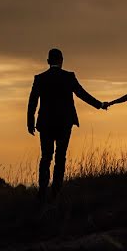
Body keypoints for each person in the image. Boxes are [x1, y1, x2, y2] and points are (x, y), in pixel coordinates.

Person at [27, 48, 106, 203]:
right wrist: (100, 104)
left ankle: (42, 190)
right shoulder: (69, 77)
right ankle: (56, 191)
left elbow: (33, 101)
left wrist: (30, 122)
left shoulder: (40, 78)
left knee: (46, 157)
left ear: (48, 61)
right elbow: (82, 94)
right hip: (64, 123)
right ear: (61, 61)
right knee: (60, 157)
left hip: (46, 123)